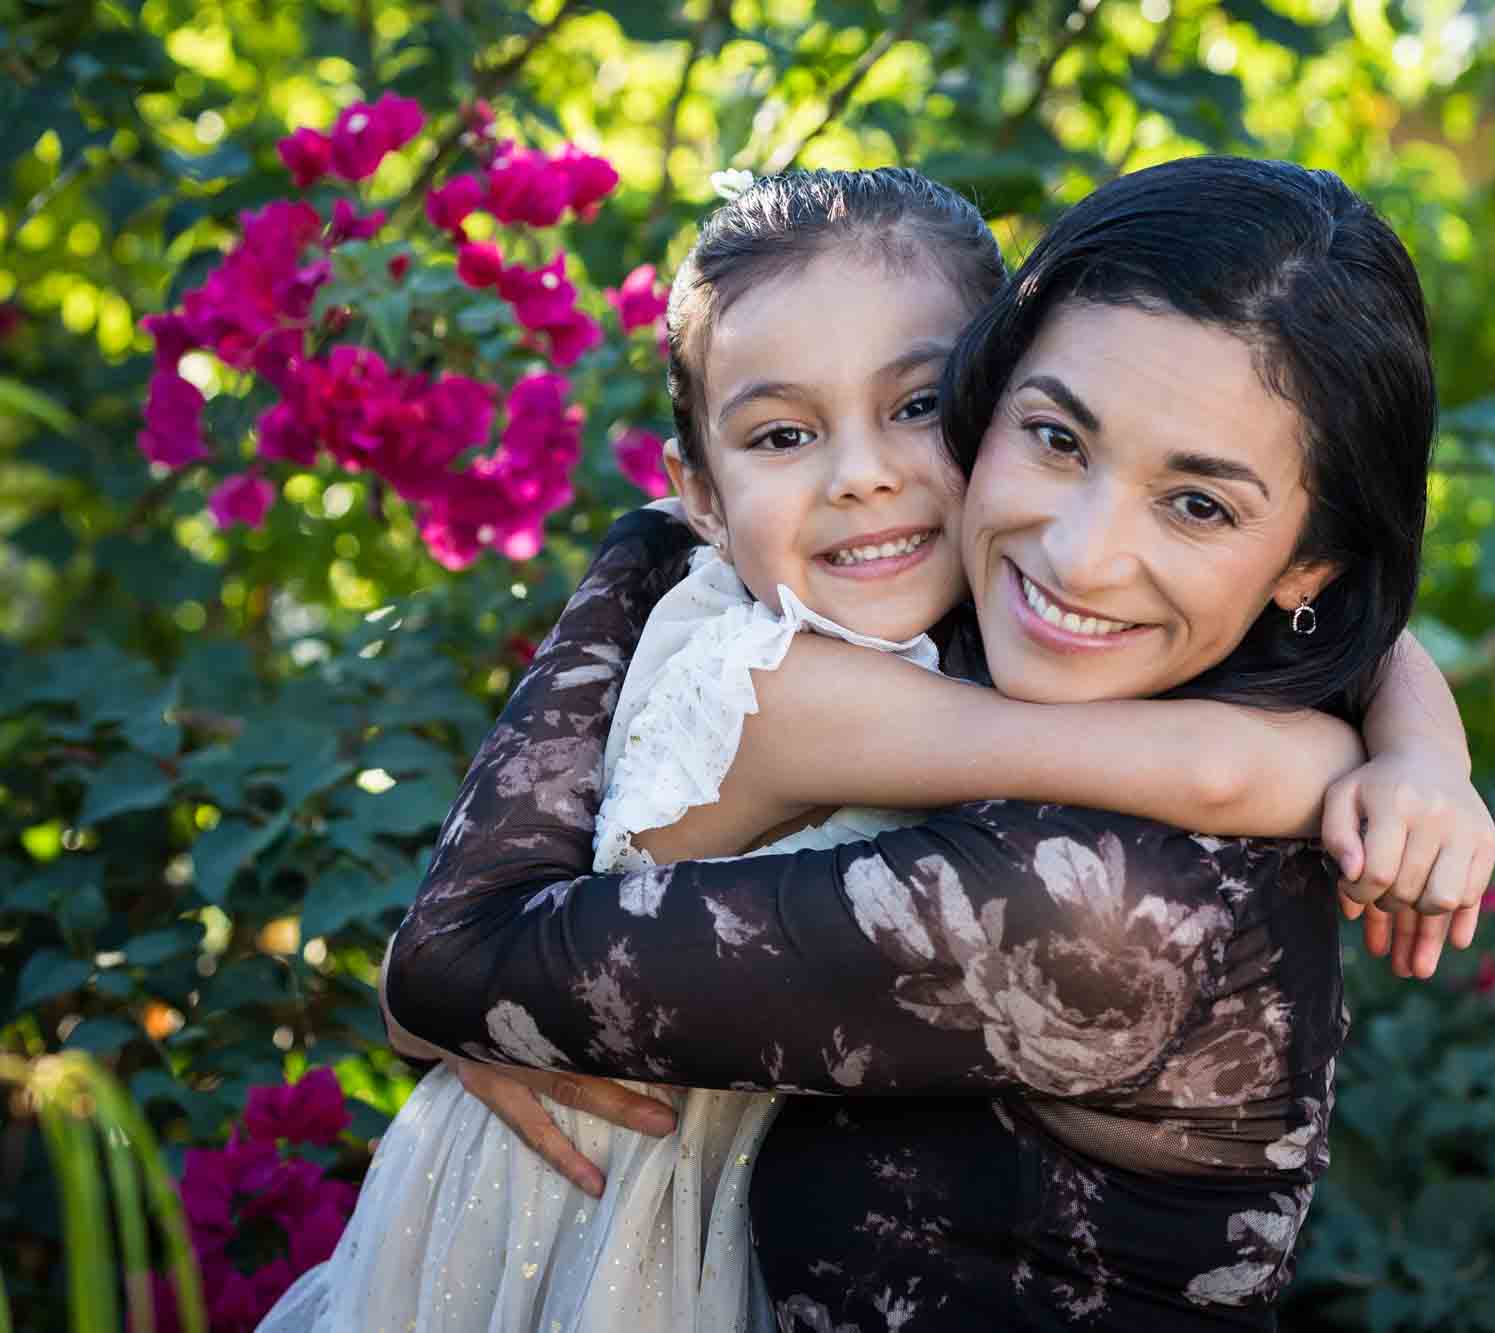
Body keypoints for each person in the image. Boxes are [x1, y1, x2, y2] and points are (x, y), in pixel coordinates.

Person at [261, 167, 1427, 1333]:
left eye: (1198, 506)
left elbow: (445, 973)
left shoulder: (1094, 909)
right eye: (1057, 436)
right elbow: (443, 974)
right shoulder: (815, 674)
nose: (1079, 556)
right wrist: (1316, 762)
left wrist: (1419, 747)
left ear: (1309, 564)